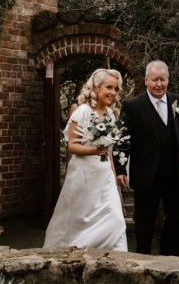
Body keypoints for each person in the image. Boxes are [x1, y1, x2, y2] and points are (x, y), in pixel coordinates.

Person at [115, 60, 179, 256]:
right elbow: (122, 139)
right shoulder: (132, 105)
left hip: (176, 174)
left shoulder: (178, 101)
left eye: (162, 80)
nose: (159, 84)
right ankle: (143, 259)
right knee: (145, 222)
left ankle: (169, 258)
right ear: (146, 80)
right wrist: (121, 170)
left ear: (168, 80)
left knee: (178, 217)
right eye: (155, 80)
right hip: (147, 175)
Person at [44, 69, 127, 251]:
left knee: (116, 219)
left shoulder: (110, 115)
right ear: (96, 88)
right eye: (109, 87)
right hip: (83, 176)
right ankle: (77, 254)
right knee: (78, 222)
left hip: (104, 176)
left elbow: (109, 152)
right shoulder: (82, 111)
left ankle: (116, 258)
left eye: (116, 89)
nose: (113, 92)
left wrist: (115, 181)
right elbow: (72, 146)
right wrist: (95, 150)